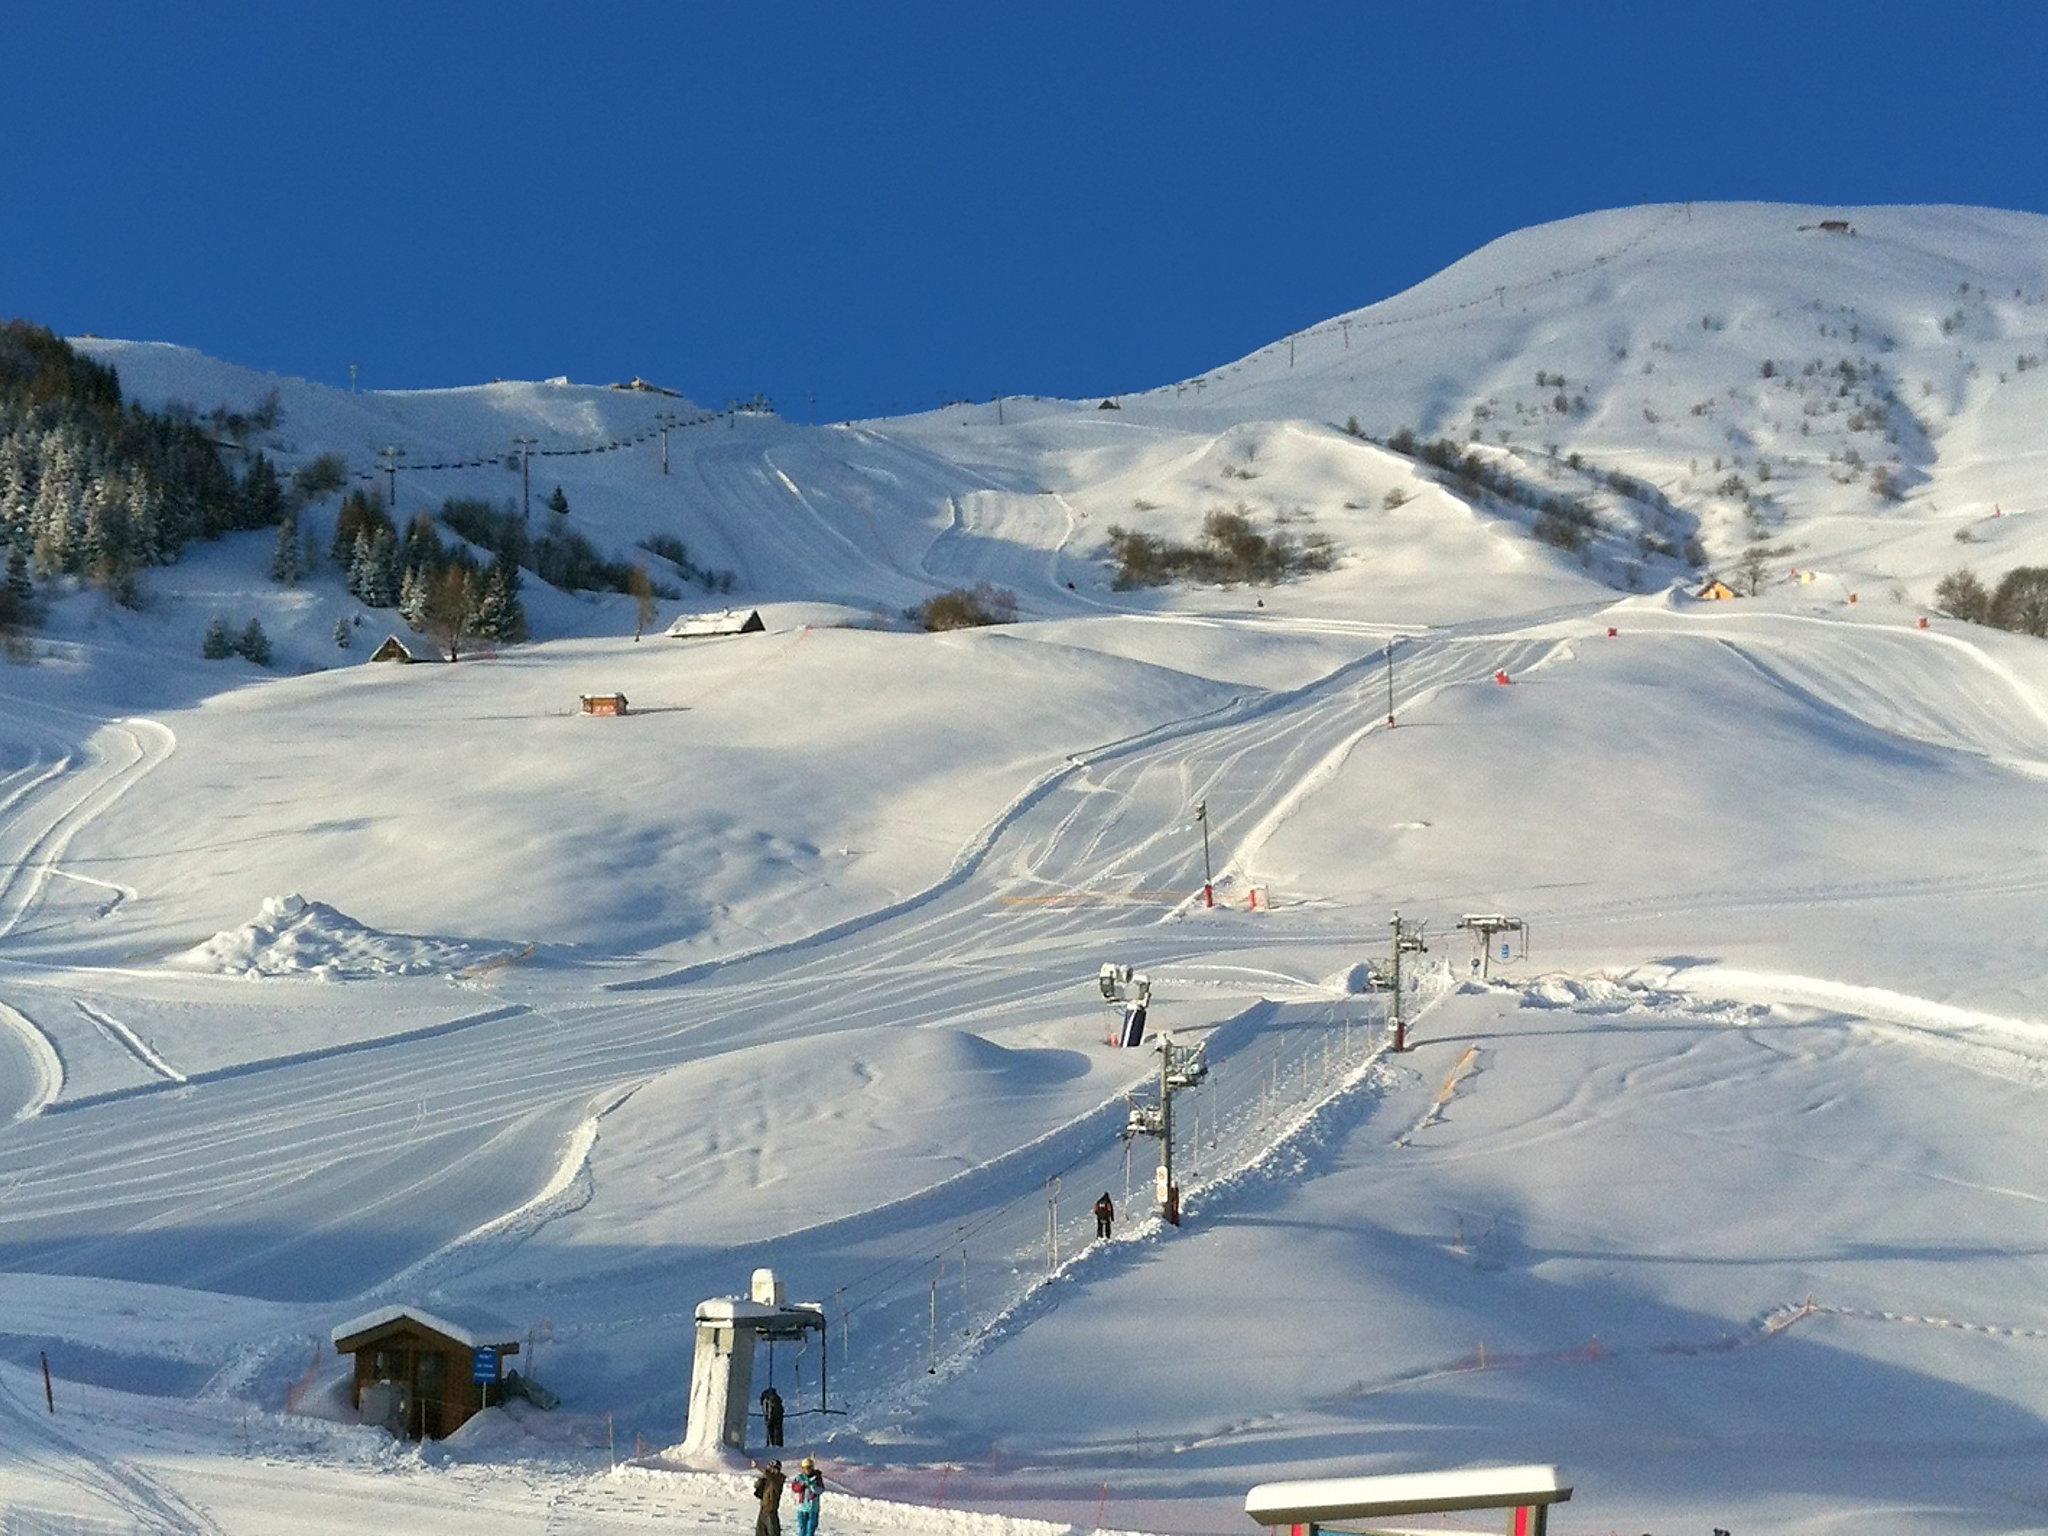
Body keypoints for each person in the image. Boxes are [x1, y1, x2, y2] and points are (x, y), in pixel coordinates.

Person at [791, 1456, 825, 1536]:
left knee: (810, 1530)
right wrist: (802, 1485)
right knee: (802, 1529)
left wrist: (813, 1487)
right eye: (805, 1468)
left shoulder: (817, 1478)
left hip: (813, 1508)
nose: (807, 1470)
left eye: (809, 1468)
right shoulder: (799, 1477)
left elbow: (821, 1489)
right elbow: (794, 1487)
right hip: (802, 1508)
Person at [753, 1459, 785, 1536]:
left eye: (772, 1468)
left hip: (771, 1512)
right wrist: (761, 1480)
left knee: (773, 1533)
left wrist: (758, 1467)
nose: (770, 1470)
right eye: (770, 1468)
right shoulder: (767, 1479)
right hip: (763, 1510)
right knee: (760, 1532)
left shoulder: (778, 1479)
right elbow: (756, 1487)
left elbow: (770, 1475)